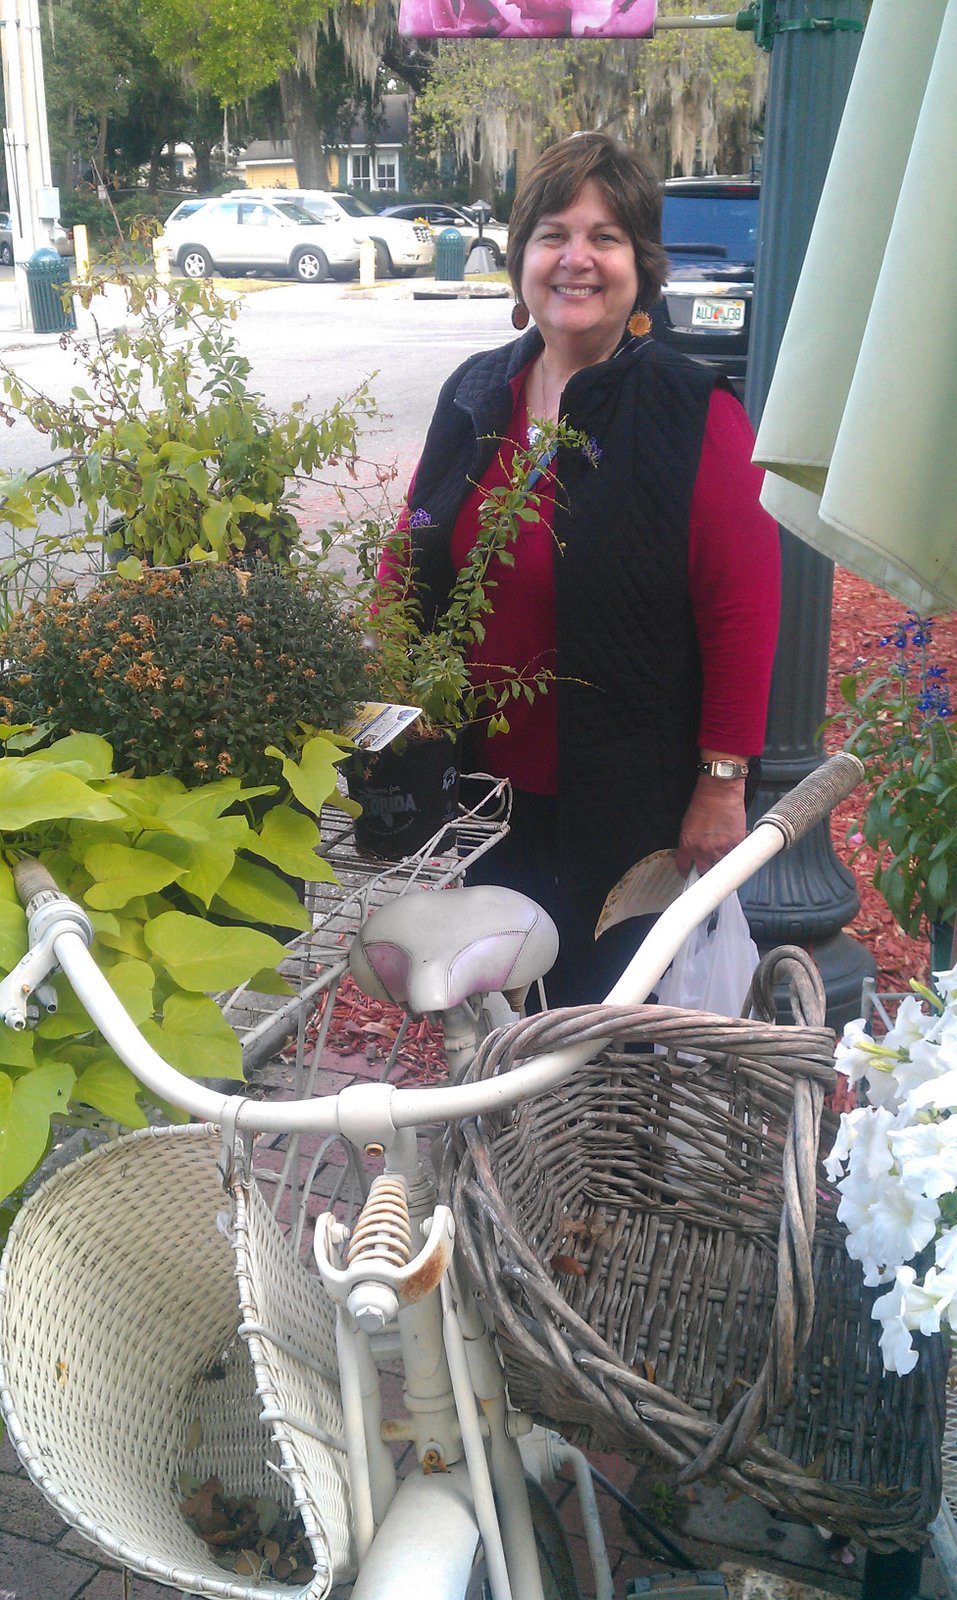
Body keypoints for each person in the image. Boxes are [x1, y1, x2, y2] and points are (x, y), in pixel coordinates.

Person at [398, 132, 780, 1006]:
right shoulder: (474, 391)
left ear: (640, 267)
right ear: (520, 259)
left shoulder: (692, 412)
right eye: (552, 235)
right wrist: (385, 677)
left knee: (608, 1031)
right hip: (487, 792)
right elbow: (415, 533)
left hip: (628, 805)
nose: (575, 259)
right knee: (504, 1013)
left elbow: (743, 609)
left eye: (604, 238)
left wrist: (722, 783)